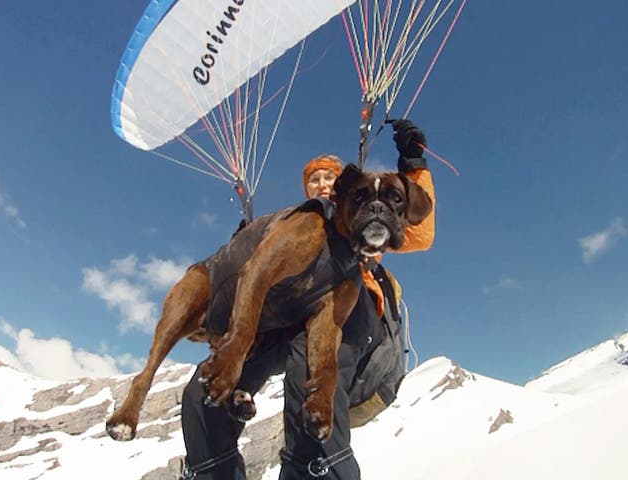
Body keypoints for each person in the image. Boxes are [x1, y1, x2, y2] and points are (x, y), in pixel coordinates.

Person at [180, 119, 436, 479]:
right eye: (313, 180)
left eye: (329, 178)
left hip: (345, 317)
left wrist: (413, 165)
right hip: (285, 320)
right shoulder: (293, 228)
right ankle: (211, 469)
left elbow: (419, 233)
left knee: (310, 376)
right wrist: (248, 244)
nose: (321, 184)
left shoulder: (364, 214)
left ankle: (316, 471)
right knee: (207, 388)